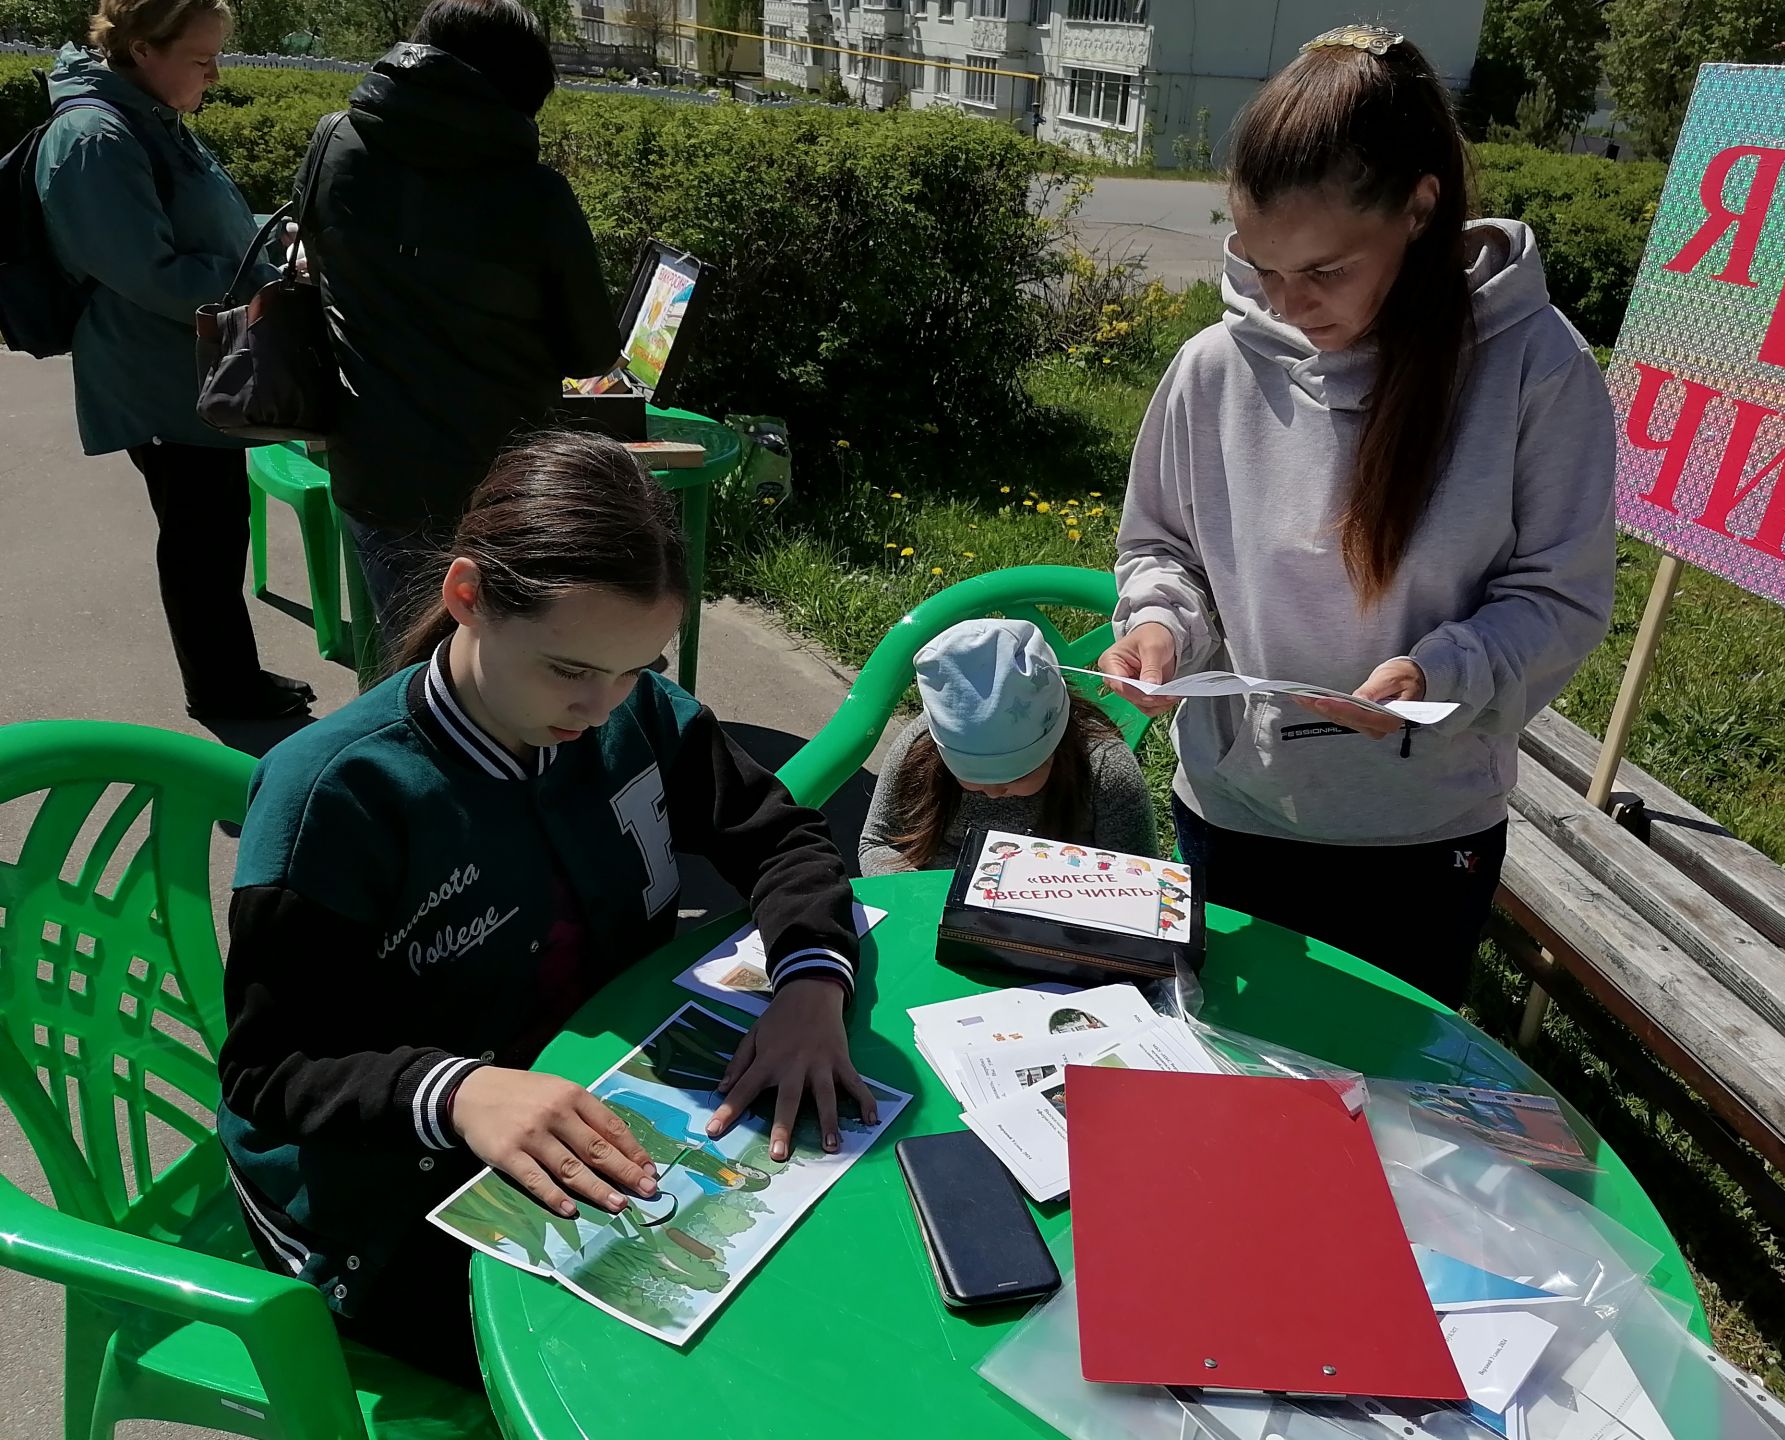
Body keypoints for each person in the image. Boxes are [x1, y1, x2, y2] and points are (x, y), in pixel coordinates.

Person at [216, 430, 870, 1385]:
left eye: (635, 667)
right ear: (467, 598)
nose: (603, 707)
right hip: (388, 1193)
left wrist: (811, 979)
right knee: (680, 1377)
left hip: (606, 1102)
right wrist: (459, 1091)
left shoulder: (636, 715)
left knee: (820, 1280)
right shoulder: (342, 795)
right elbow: (272, 1071)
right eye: (571, 670)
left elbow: (782, 837)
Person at [1098, 26, 1617, 1010]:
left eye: (1325, 272)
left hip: (1420, 840)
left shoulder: (1537, 369)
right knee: (1231, 1091)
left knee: (1389, 1129)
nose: (1288, 305)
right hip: (1234, 814)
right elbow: (1163, 547)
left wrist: (1440, 676)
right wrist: (1161, 625)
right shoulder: (1213, 367)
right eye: (1261, 266)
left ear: (1420, 208)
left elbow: (1561, 593)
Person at [292, 0, 620, 632]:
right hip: (501, 476)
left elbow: (307, 251)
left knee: (407, 656)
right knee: (500, 669)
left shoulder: (336, 141)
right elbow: (590, 353)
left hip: (372, 457)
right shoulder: (535, 195)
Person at [36, 0, 313, 721]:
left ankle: (231, 677)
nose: (215, 74)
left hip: (190, 365)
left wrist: (270, 250)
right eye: (201, 58)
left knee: (212, 530)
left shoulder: (142, 114)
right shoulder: (94, 136)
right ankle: (224, 692)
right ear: (141, 48)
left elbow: (203, 224)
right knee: (200, 536)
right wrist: (259, 290)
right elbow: (148, 270)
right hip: (156, 376)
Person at [860, 618, 1157, 875]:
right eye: (972, 778)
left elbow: (1139, 880)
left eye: (1018, 776)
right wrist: (921, 900)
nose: (992, 793)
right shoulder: (919, 746)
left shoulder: (1106, 769)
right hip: (930, 915)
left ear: (1056, 747)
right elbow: (877, 842)